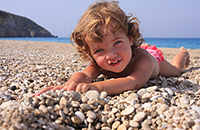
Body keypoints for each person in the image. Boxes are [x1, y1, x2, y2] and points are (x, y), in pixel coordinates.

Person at [32, 1, 189, 96]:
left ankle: (183, 52)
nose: (111, 55)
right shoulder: (99, 62)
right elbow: (85, 75)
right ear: (90, 52)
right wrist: (69, 85)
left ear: (130, 38)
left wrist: (94, 87)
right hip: (132, 50)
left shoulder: (144, 60)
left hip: (154, 58)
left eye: (117, 42)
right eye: (99, 50)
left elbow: (132, 82)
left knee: (175, 71)